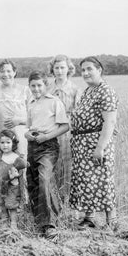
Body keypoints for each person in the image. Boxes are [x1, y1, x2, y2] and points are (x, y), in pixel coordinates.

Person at [69, 56, 119, 230]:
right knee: (86, 181)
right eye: (83, 70)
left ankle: (111, 222)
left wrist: (100, 148)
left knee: (103, 181)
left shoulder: (106, 91)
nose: (86, 73)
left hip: (97, 143)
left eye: (90, 69)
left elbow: (110, 122)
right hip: (81, 144)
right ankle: (89, 219)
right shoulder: (88, 91)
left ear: (100, 70)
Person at [25, 71, 70, 239]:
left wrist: (46, 137)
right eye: (33, 86)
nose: (36, 89)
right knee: (33, 182)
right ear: (29, 86)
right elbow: (30, 126)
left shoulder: (54, 102)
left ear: (45, 85)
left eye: (39, 85)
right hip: (33, 144)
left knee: (45, 180)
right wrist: (26, 134)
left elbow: (65, 126)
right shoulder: (30, 102)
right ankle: (39, 221)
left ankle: (50, 224)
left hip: (48, 145)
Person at [47, 55, 80, 201]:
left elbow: (78, 112)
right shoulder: (47, 88)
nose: (59, 71)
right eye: (56, 68)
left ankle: (67, 200)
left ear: (68, 69)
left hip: (68, 130)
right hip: (50, 129)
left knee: (67, 165)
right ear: (52, 70)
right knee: (52, 165)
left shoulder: (74, 89)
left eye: (62, 67)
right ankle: (53, 200)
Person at [0, 129, 29, 230]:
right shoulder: (0, 156)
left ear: (13, 143)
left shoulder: (16, 157)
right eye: (2, 142)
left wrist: (15, 176)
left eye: (8, 142)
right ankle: (5, 223)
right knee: (2, 204)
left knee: (11, 205)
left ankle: (13, 224)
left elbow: (20, 171)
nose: (5, 145)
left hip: (12, 186)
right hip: (1, 185)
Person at [0, 59, 31, 158]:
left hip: (20, 137)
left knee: (20, 166)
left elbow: (35, 116)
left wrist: (19, 120)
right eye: (2, 71)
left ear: (14, 72)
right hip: (1, 138)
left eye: (9, 71)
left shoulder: (25, 90)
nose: (5, 74)